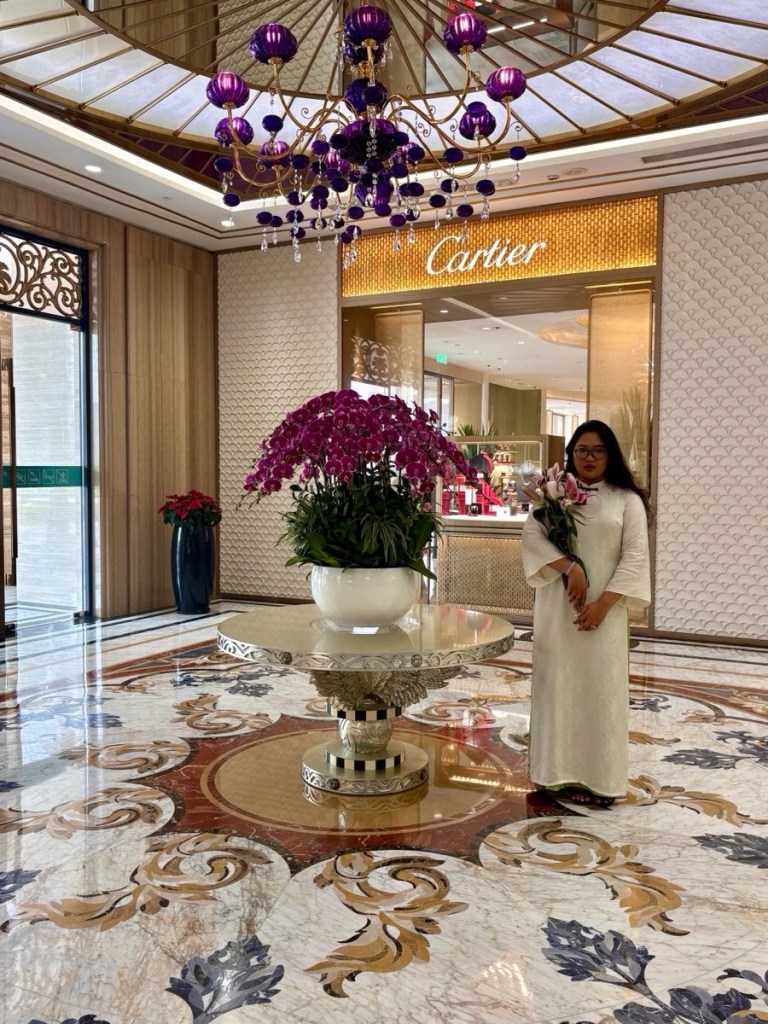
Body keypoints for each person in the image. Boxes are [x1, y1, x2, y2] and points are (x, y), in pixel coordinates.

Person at [521, 420, 652, 806]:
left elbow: (634, 556)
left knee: (599, 693)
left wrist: (603, 605)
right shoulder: (553, 493)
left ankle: (600, 779)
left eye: (598, 450)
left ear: (610, 455)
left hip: (604, 616)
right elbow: (532, 536)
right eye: (582, 450)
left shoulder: (626, 500)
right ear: (571, 454)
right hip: (557, 610)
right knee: (556, 689)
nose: (589, 457)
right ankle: (552, 774)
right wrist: (570, 567)